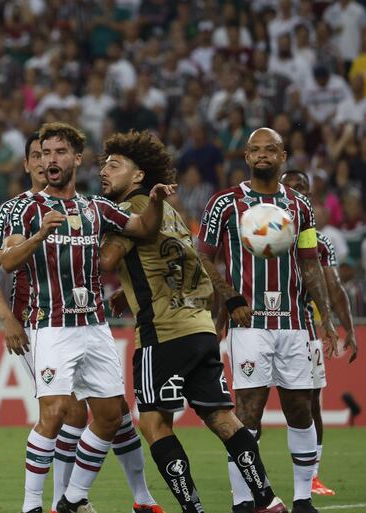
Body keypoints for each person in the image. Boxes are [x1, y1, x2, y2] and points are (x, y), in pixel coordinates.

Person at [98, 130, 287, 513]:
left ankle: (192, 509)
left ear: (138, 177)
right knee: (223, 418)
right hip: (199, 326)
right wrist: (128, 288)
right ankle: (269, 500)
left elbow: (105, 260)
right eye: (104, 164)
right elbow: (187, 258)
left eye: (114, 165)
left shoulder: (131, 211)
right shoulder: (168, 211)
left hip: (162, 333)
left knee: (153, 425)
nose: (104, 170)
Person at [0, 132, 162, 513]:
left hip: (93, 324)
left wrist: (157, 200)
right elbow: (0, 266)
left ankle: (76, 499)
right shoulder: (22, 210)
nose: (49, 160)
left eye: (59, 152)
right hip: (44, 323)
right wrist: (8, 318)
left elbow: (143, 228)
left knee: (115, 415)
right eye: (43, 154)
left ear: (77, 159)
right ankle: (34, 505)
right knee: (64, 411)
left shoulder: (94, 207)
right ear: (32, 162)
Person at [197, 128, 338, 513]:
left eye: (270, 149)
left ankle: (303, 498)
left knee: (300, 410)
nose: (262, 155)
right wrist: (231, 298)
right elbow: (204, 256)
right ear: (245, 156)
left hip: (294, 324)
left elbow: (310, 264)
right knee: (247, 412)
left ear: (283, 156)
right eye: (255, 149)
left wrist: (325, 318)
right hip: (250, 324)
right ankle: (243, 500)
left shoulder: (300, 206)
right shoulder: (226, 203)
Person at [279, 170, 359, 496]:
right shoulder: (256, 230)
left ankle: (312, 475)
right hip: (257, 327)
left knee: (311, 403)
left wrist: (347, 327)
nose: (297, 192)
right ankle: (247, 479)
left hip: (305, 330)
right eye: (291, 187)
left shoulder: (319, 240)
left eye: (302, 188)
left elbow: (334, 287)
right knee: (249, 403)